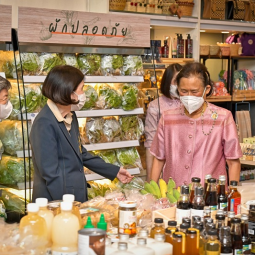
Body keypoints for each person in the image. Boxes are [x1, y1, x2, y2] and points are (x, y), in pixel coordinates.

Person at [30, 65, 133, 202]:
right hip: (55, 203)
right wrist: (69, 207)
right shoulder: (44, 123)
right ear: (69, 93)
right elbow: (51, 174)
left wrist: (114, 171)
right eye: (82, 88)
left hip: (73, 199)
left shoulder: (70, 116)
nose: (84, 94)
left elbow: (80, 153)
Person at [150, 62, 242, 186]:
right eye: (183, 91)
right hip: (173, 194)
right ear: (177, 89)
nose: (189, 96)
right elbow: (159, 159)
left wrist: (232, 192)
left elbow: (233, 161)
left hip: (210, 195)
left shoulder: (223, 117)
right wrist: (152, 191)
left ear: (206, 90)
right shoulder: (167, 118)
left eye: (194, 91)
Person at [144, 63, 182, 181]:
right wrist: (151, 178)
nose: (179, 85)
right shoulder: (155, 106)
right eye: (176, 81)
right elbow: (151, 143)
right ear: (167, 82)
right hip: (164, 164)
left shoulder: (189, 104)